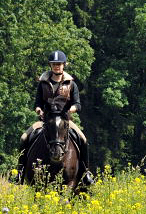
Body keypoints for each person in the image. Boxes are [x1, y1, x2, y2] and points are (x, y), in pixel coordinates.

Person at [17, 50, 94, 185]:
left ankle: (86, 173)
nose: (56, 66)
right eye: (54, 64)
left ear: (64, 65)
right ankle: (19, 172)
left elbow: (78, 104)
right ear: (50, 66)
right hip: (46, 120)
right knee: (24, 138)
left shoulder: (71, 84)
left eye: (59, 64)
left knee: (83, 140)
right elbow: (38, 103)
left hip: (65, 120)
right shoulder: (43, 83)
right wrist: (38, 109)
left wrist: (71, 109)